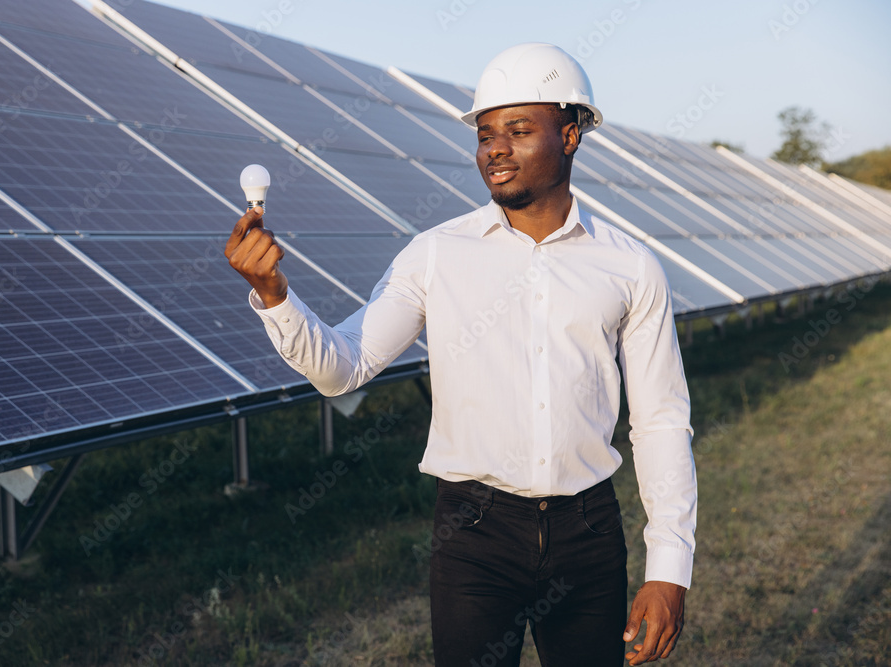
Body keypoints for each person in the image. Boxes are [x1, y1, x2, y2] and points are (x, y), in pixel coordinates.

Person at [225, 42, 696, 667]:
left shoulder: (632, 267)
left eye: (519, 130)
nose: (495, 148)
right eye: (485, 133)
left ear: (572, 133)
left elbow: (661, 418)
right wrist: (275, 296)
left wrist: (670, 567)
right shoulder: (436, 254)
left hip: (589, 533)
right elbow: (344, 368)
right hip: (473, 535)